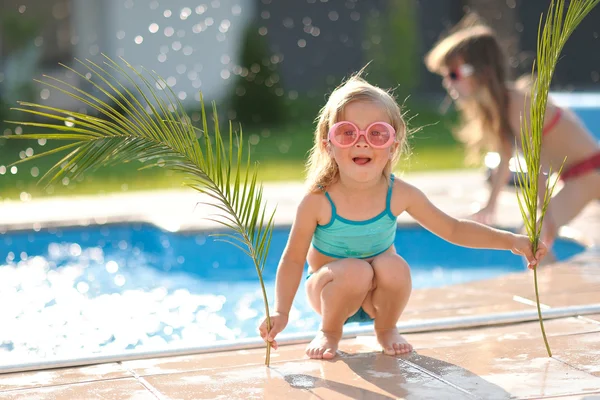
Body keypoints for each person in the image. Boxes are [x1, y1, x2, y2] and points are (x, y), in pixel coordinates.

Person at [257, 72, 547, 360]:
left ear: (393, 144)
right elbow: (293, 259)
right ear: (327, 143)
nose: (362, 142)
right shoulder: (318, 200)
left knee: (394, 266)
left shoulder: (399, 194)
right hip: (329, 290)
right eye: (347, 132)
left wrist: (511, 240)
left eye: (377, 133)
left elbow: (454, 229)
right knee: (357, 271)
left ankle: (386, 328)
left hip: (377, 297)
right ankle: (330, 332)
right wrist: (282, 311)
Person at [424, 13, 600, 248]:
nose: (448, 82)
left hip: (588, 173)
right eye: (445, 75)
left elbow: (536, 163)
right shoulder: (500, 108)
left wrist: (543, 210)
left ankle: (549, 283)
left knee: (532, 234)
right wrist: (490, 206)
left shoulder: (517, 104)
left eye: (453, 74)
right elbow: (504, 160)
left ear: (480, 71)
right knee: (533, 234)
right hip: (580, 175)